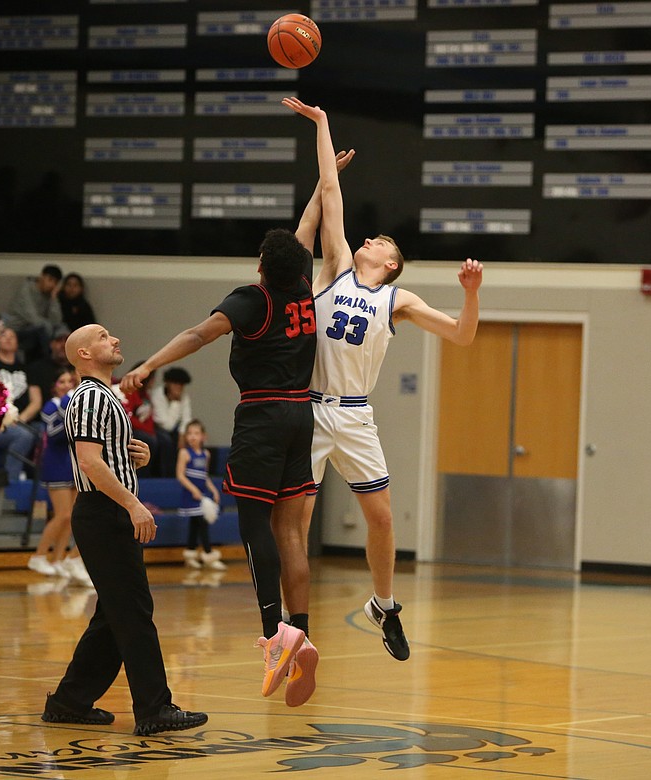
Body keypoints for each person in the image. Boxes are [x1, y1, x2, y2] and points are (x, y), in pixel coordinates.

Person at [282, 96, 483, 663]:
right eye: (367, 238)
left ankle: (384, 604)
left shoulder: (398, 298)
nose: (367, 240)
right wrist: (323, 123)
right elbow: (330, 192)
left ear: (391, 263)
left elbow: (462, 338)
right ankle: (294, 632)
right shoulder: (335, 268)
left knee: (383, 518)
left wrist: (470, 296)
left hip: (356, 413)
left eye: (380, 243)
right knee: (297, 523)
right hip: (312, 409)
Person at [120, 226, 322, 707]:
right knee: (292, 532)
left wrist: (149, 366)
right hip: (302, 415)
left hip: (263, 416)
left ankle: (275, 635)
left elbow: (198, 333)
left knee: (255, 529)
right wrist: (322, 183)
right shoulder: (304, 287)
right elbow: (305, 232)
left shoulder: (252, 299)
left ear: (260, 266)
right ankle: (303, 634)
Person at [44, 323, 207, 736]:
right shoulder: (87, 398)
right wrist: (134, 504)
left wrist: (138, 454)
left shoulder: (105, 397)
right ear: (83, 353)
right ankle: (154, 708)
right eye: (102, 336)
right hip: (104, 514)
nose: (114, 339)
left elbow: (106, 457)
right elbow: (89, 462)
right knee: (133, 613)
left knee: (114, 614)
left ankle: (69, 701)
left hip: (108, 513)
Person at [27, 368, 92, 587]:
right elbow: (53, 435)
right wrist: (68, 408)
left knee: (73, 517)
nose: (66, 384)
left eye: (69, 381)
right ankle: (38, 556)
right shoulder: (52, 405)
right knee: (63, 514)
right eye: (61, 381)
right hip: (55, 463)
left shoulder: (75, 402)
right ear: (55, 385)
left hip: (73, 463)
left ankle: (58, 559)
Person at [0, 321, 42, 481]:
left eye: (12, 336)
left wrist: (19, 419)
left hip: (20, 421)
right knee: (24, 436)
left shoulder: (26, 368)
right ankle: (10, 481)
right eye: (3, 335)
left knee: (47, 431)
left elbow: (36, 401)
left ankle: (42, 480)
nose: (8, 338)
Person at [176, 419, 224, 571]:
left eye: (196, 433)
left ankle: (190, 555)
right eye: (189, 433)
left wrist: (214, 490)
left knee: (195, 526)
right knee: (202, 523)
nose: (192, 436)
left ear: (204, 436)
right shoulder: (184, 453)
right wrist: (193, 490)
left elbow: (205, 476)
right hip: (191, 496)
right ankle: (209, 555)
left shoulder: (206, 454)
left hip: (202, 495)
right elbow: (180, 475)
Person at [4, 264, 64, 360]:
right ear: (42, 276)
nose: (51, 285)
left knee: (62, 329)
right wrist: (49, 327)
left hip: (34, 331)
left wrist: (54, 299)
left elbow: (56, 321)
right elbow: (33, 319)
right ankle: (49, 362)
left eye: (55, 283)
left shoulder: (49, 295)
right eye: (50, 280)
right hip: (16, 330)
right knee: (43, 329)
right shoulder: (26, 289)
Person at [151, 366, 192, 478]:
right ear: (168, 383)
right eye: (175, 383)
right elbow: (166, 424)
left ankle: (183, 475)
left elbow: (187, 419)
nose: (178, 387)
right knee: (166, 441)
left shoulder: (184, 397)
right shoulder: (157, 395)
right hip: (157, 429)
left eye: (181, 384)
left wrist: (182, 434)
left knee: (191, 438)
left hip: (175, 430)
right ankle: (166, 476)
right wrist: (175, 403)